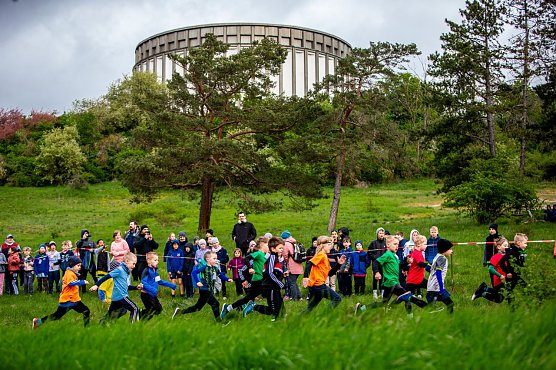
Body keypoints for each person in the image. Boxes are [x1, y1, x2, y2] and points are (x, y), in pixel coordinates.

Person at [356, 236, 427, 317]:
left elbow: (400, 266)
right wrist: (376, 272)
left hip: (391, 283)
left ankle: (361, 309)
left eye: (398, 244)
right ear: (388, 245)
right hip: (391, 282)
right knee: (407, 296)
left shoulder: (394, 256)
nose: (397, 246)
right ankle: (426, 308)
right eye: (395, 244)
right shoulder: (387, 255)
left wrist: (407, 263)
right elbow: (376, 262)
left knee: (383, 303)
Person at [33, 256, 90, 329]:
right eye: (78, 265)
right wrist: (82, 281)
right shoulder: (69, 273)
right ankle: (38, 322)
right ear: (72, 265)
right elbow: (71, 283)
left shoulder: (72, 272)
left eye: (80, 265)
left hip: (74, 300)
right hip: (68, 300)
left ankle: (87, 328)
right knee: (56, 316)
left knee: (86, 311)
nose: (80, 267)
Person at [172, 251, 232, 321]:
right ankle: (219, 322)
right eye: (214, 258)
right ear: (207, 259)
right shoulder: (204, 267)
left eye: (216, 258)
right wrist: (197, 282)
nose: (216, 260)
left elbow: (221, 275)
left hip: (209, 290)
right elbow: (194, 272)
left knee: (197, 308)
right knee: (216, 304)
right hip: (205, 289)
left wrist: (227, 279)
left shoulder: (215, 268)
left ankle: (179, 312)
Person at [220, 236, 269, 319]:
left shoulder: (263, 255)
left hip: (259, 279)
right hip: (257, 280)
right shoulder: (258, 253)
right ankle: (252, 306)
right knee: (267, 291)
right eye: (267, 245)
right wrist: (250, 268)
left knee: (248, 298)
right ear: (261, 245)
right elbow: (246, 259)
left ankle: (228, 308)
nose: (268, 247)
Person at [243, 236, 287, 321]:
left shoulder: (276, 258)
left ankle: (279, 319)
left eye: (283, 248)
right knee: (273, 309)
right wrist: (280, 283)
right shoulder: (272, 258)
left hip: (275, 287)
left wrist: (281, 274)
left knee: (280, 306)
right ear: (273, 249)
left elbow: (274, 271)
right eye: (280, 248)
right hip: (270, 287)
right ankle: (253, 306)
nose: (282, 250)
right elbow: (269, 273)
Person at [90, 252, 143, 323]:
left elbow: (126, 287)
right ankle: (132, 328)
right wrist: (96, 285)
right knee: (135, 309)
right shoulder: (120, 270)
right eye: (133, 263)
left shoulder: (126, 272)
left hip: (116, 298)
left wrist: (136, 287)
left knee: (111, 314)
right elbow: (106, 276)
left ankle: (102, 323)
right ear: (127, 261)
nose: (134, 266)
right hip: (121, 296)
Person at [302, 235, 346, 312]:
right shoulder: (321, 255)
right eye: (328, 245)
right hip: (318, 285)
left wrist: (339, 264)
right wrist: (305, 277)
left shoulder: (325, 257)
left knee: (310, 308)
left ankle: (299, 320)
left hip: (315, 286)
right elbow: (309, 263)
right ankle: (324, 315)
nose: (330, 247)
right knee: (337, 299)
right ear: (322, 245)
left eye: (331, 245)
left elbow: (330, 273)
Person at [472, 237, 510, 303]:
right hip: (499, 280)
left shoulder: (506, 256)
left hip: (505, 279)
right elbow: (490, 268)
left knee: (499, 299)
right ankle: (484, 289)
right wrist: (500, 275)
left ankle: (483, 291)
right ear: (498, 247)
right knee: (502, 297)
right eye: (505, 246)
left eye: (507, 246)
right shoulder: (496, 257)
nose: (507, 247)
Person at [140, 251, 176, 320]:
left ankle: (141, 314)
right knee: (151, 311)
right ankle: (140, 317)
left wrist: (171, 285)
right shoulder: (146, 270)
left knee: (159, 309)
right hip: (146, 295)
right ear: (149, 261)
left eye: (157, 260)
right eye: (155, 260)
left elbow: (159, 281)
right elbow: (143, 283)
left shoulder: (155, 270)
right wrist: (153, 289)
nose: (157, 262)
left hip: (153, 294)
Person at [425, 239, 455, 313]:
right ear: (445, 250)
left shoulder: (437, 256)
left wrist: (432, 271)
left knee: (432, 309)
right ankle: (450, 321)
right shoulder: (442, 258)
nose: (452, 251)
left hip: (431, 287)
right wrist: (441, 288)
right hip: (437, 288)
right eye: (450, 249)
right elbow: (438, 273)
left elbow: (427, 268)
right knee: (450, 304)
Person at [281, 230, 303, 301]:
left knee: (291, 283)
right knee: (293, 282)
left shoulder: (286, 244)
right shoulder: (294, 243)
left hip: (292, 266)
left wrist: (284, 263)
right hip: (298, 265)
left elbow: (285, 255)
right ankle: (299, 297)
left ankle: (295, 298)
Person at [368, 227, 386, 300]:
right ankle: (374, 292)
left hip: (383, 264)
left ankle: (382, 292)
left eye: (382, 233)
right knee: (375, 278)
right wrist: (374, 257)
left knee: (382, 278)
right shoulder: (373, 243)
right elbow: (369, 252)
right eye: (380, 233)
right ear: (377, 234)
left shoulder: (386, 243)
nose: (381, 234)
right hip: (375, 263)